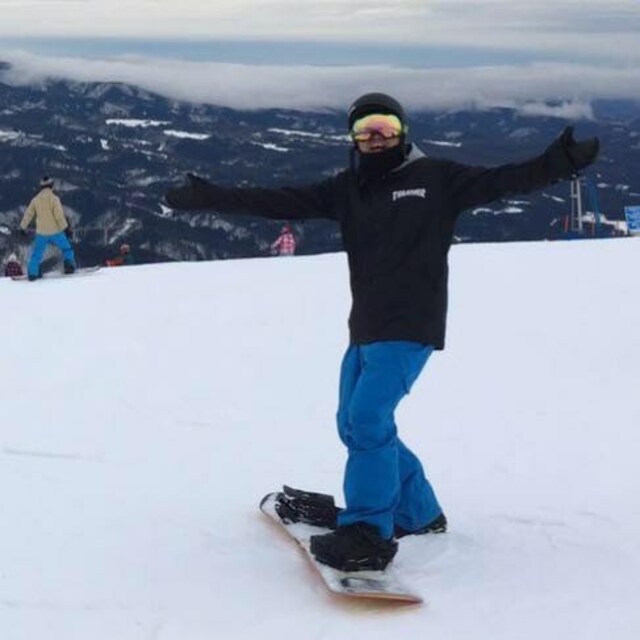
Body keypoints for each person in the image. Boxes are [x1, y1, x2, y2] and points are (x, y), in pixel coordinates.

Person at [165, 92, 599, 572]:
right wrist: (210, 196)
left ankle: (369, 532)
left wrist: (557, 163)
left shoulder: (437, 179)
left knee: (368, 419)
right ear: (353, 139)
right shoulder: (347, 188)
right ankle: (419, 512)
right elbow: (277, 200)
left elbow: (504, 180)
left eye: (385, 127)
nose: (376, 138)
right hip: (366, 326)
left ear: (403, 132)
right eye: (365, 129)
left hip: (411, 324)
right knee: (354, 423)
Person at [20, 176, 76, 281]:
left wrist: (23, 227)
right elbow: (59, 216)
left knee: (37, 254)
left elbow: (28, 214)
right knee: (66, 248)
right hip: (56, 232)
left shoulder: (35, 200)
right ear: (51, 186)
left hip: (41, 233)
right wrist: (66, 229)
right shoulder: (54, 199)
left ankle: (32, 273)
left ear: (41, 187)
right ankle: (69, 266)